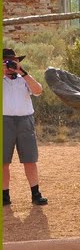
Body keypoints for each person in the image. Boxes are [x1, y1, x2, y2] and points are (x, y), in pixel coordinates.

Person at [3, 47, 48, 206]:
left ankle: (36, 194)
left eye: (13, 61)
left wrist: (23, 73)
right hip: (4, 121)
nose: (10, 65)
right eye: (6, 62)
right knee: (3, 161)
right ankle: (4, 196)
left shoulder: (24, 78)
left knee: (30, 159)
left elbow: (38, 91)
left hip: (25, 121)